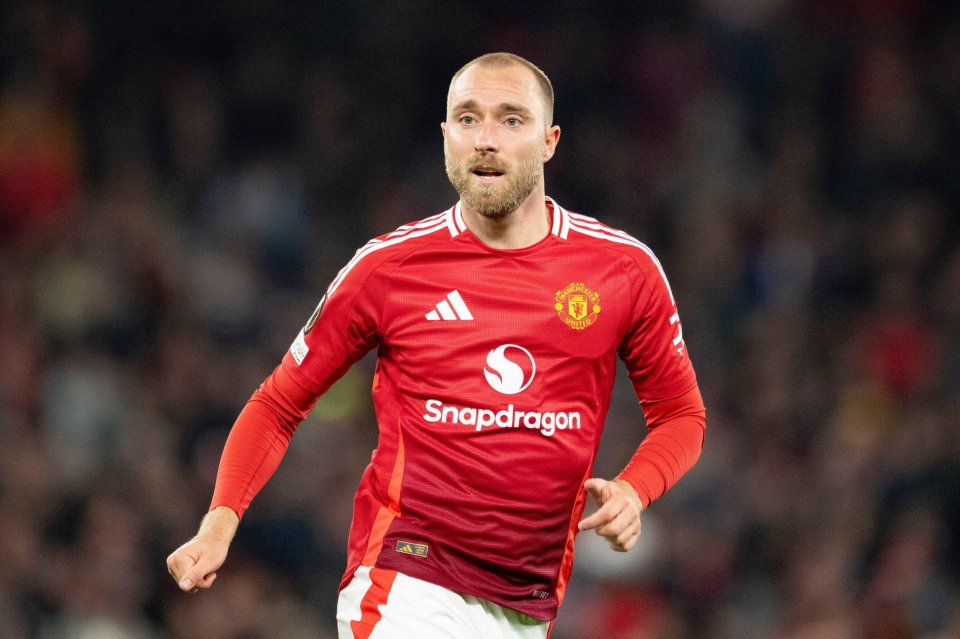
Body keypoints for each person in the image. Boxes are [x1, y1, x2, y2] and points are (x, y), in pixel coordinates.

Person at [167, 52, 707, 639]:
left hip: (526, 605)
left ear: (550, 141)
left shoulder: (622, 271)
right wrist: (220, 523)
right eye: (468, 119)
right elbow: (278, 403)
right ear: (446, 137)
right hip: (406, 580)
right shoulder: (389, 268)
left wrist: (635, 487)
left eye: (510, 120)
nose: (486, 139)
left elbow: (681, 415)